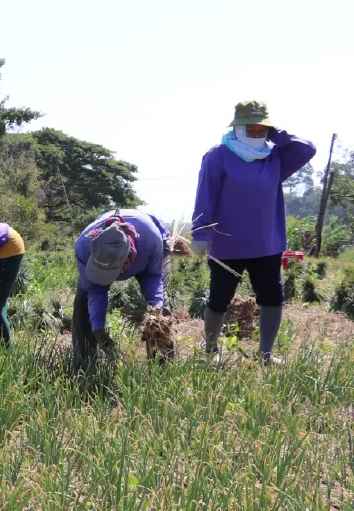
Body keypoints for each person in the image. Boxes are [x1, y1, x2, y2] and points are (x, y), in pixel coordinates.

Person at [192, 101, 316, 363]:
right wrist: (200, 234)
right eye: (252, 127)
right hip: (227, 245)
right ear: (237, 127)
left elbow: (307, 148)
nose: (258, 133)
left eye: (264, 128)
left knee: (272, 297)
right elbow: (206, 194)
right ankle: (211, 351)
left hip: (267, 244)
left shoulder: (275, 158)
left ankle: (266, 353)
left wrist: (277, 134)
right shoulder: (218, 156)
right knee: (219, 298)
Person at [72, 209, 170, 362]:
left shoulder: (150, 239)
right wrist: (98, 329)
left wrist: (155, 307)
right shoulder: (83, 247)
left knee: (159, 317)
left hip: (150, 244)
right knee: (83, 306)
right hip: (99, 244)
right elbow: (95, 288)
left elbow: (153, 276)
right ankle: (84, 362)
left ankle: (162, 367)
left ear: (127, 263)